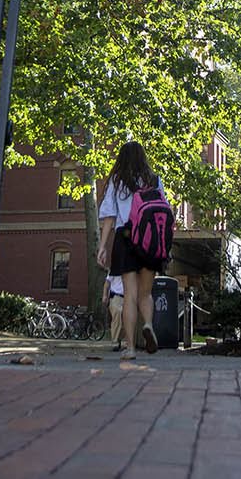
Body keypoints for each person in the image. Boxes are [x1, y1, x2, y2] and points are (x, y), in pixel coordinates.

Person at [96, 141, 165, 359]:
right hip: (150, 242)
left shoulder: (118, 181)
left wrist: (102, 247)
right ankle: (148, 325)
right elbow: (163, 212)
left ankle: (131, 348)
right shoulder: (155, 180)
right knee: (146, 294)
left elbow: (109, 217)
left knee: (129, 297)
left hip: (125, 240)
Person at [106, 273, 126, 351]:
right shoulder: (114, 269)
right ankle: (115, 341)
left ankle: (119, 340)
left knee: (126, 321)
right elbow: (107, 283)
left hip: (127, 297)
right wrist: (105, 296)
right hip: (116, 297)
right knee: (117, 317)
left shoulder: (129, 268)